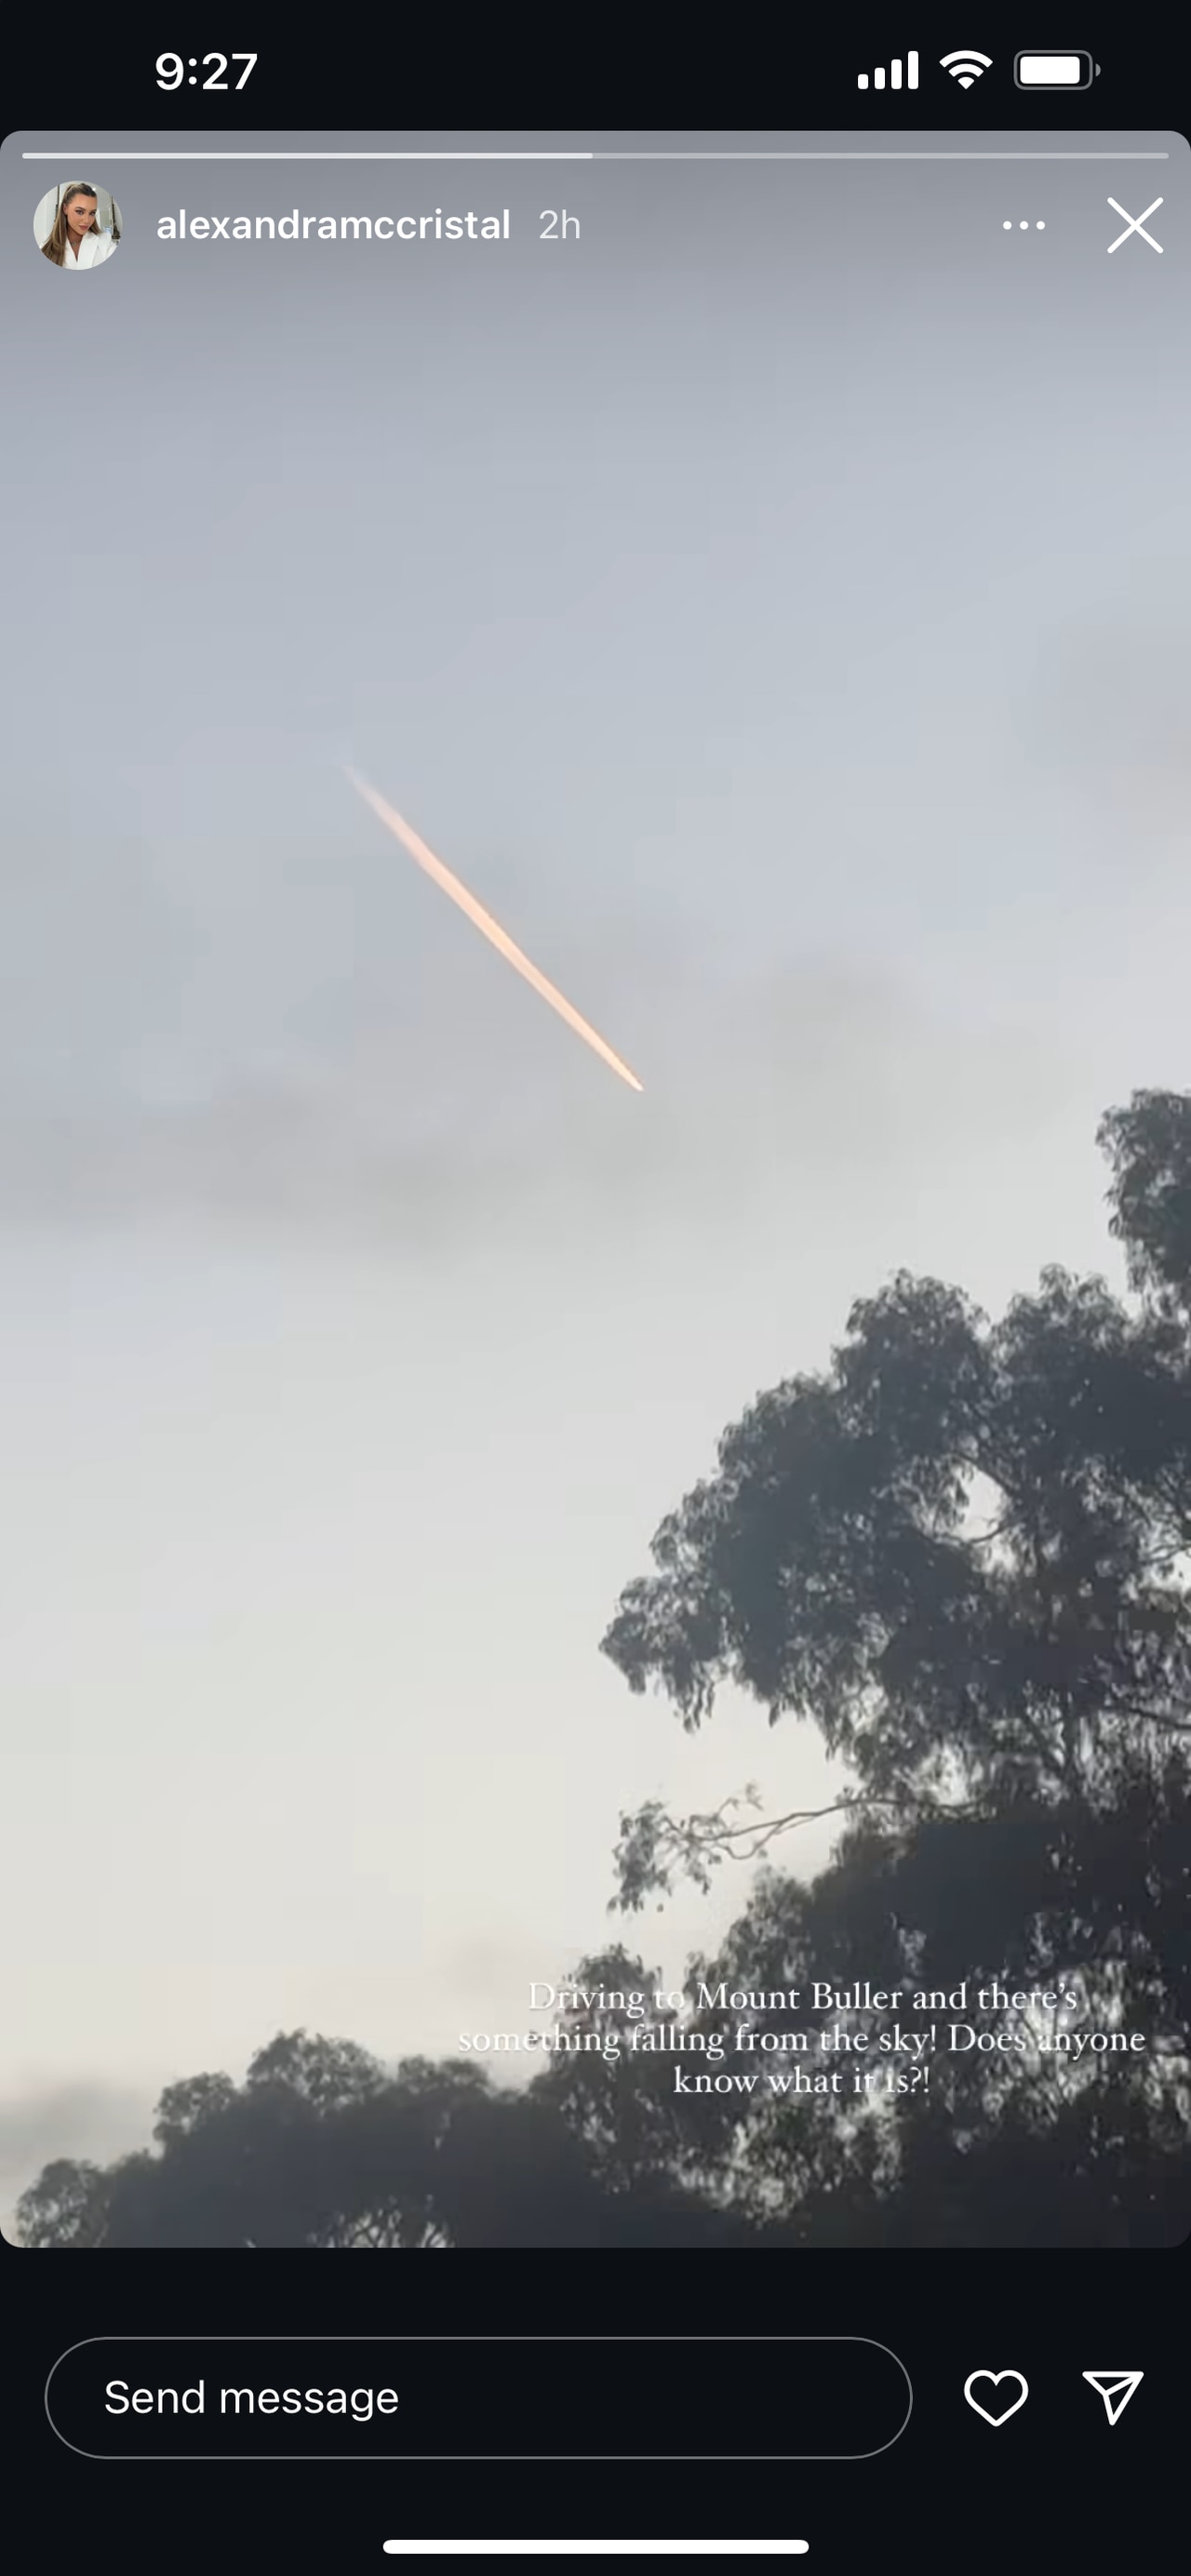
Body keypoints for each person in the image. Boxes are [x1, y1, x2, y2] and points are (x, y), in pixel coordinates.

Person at [41, 183, 119, 270]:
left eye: (92, 213)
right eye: (80, 212)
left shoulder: (105, 243)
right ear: (65, 209)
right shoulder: (46, 249)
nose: (87, 220)